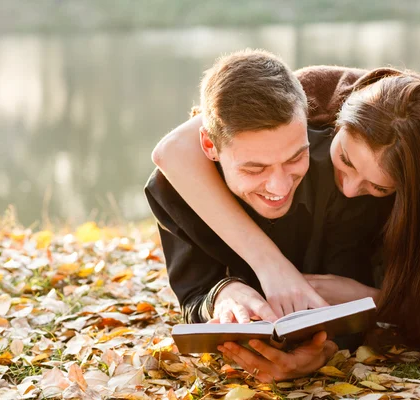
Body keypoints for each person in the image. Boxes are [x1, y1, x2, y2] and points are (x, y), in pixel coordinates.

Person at [152, 59, 420, 375]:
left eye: (379, 188)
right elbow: (173, 151)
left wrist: (374, 300)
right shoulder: (308, 97)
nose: (349, 189)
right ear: (335, 124)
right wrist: (269, 268)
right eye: (346, 160)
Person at [145, 50, 387, 372]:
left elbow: (349, 300)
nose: (279, 186)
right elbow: (194, 296)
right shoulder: (174, 191)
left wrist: (324, 351)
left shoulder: (343, 176)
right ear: (209, 146)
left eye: (294, 158)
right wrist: (223, 293)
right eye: (254, 168)